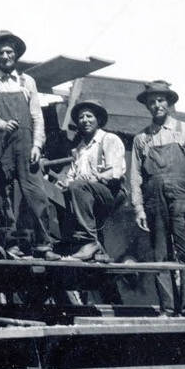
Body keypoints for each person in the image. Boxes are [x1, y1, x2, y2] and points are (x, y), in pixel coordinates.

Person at [0, 29, 56, 259]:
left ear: (15, 54)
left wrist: (37, 145)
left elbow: (37, 116)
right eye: (0, 52)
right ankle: (13, 245)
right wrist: (2, 124)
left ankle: (44, 245)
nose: (5, 56)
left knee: (36, 194)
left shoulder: (26, 81)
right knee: (7, 196)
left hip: (27, 145)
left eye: (9, 51)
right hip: (4, 146)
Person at [128, 80, 185, 313]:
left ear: (169, 103)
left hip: (182, 198)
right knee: (160, 255)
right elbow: (135, 176)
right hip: (154, 201)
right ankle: (167, 308)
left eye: (161, 100)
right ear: (147, 107)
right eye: (151, 102)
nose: (156, 105)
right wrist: (138, 208)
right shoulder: (142, 138)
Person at [57, 100, 126, 261]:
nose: (85, 120)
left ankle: (89, 241)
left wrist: (96, 178)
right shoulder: (80, 148)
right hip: (86, 192)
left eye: (90, 116)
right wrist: (63, 184)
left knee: (79, 186)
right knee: (63, 191)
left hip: (112, 193)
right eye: (81, 117)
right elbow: (71, 177)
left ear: (98, 120)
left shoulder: (109, 139)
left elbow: (115, 172)